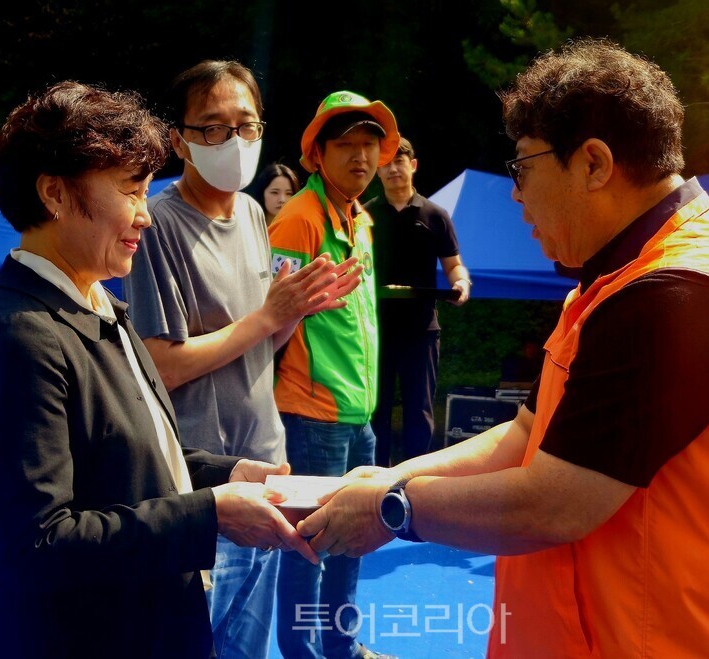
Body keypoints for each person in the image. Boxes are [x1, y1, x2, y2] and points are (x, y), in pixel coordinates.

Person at [300, 39, 709, 657]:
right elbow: (524, 436)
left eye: (522, 167)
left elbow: (555, 503)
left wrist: (394, 508)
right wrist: (394, 475)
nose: (515, 194)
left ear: (593, 163)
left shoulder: (677, 295)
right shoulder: (617, 285)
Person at [0, 81, 319, 659]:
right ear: (55, 193)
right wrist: (209, 514)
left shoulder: (98, 307)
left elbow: (131, 451)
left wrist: (228, 474)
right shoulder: (17, 336)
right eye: (132, 191)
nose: (145, 215)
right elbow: (35, 546)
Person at [123, 61, 359, 659]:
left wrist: (295, 311)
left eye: (245, 125)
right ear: (178, 140)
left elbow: (258, 346)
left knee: (246, 649)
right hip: (202, 486)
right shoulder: (157, 225)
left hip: (265, 468)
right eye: (212, 127)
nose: (232, 140)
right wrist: (267, 316)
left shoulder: (254, 213)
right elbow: (159, 365)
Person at [268, 91, 399, 659]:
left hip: (358, 414)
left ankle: (342, 648)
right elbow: (269, 315)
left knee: (352, 539)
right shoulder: (298, 219)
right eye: (346, 145)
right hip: (312, 414)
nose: (361, 156)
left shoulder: (361, 218)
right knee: (308, 547)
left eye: (370, 144)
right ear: (317, 155)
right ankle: (302, 653)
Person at [366, 137, 470, 466]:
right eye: (385, 163)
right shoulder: (363, 215)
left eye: (399, 161)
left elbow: (453, 265)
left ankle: (415, 483)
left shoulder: (435, 215)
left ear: (413, 165)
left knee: (419, 411)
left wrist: (461, 283)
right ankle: (372, 482)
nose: (393, 169)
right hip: (374, 330)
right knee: (374, 412)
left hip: (422, 330)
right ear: (377, 170)